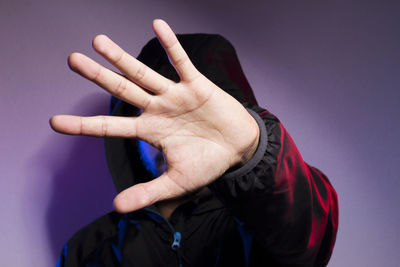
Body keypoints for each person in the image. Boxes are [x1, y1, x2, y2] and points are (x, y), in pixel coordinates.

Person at [51, 19, 338, 266]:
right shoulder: (87, 249)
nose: (172, 137)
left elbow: (307, 234)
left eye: (190, 117)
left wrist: (253, 150)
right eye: (156, 114)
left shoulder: (262, 223)